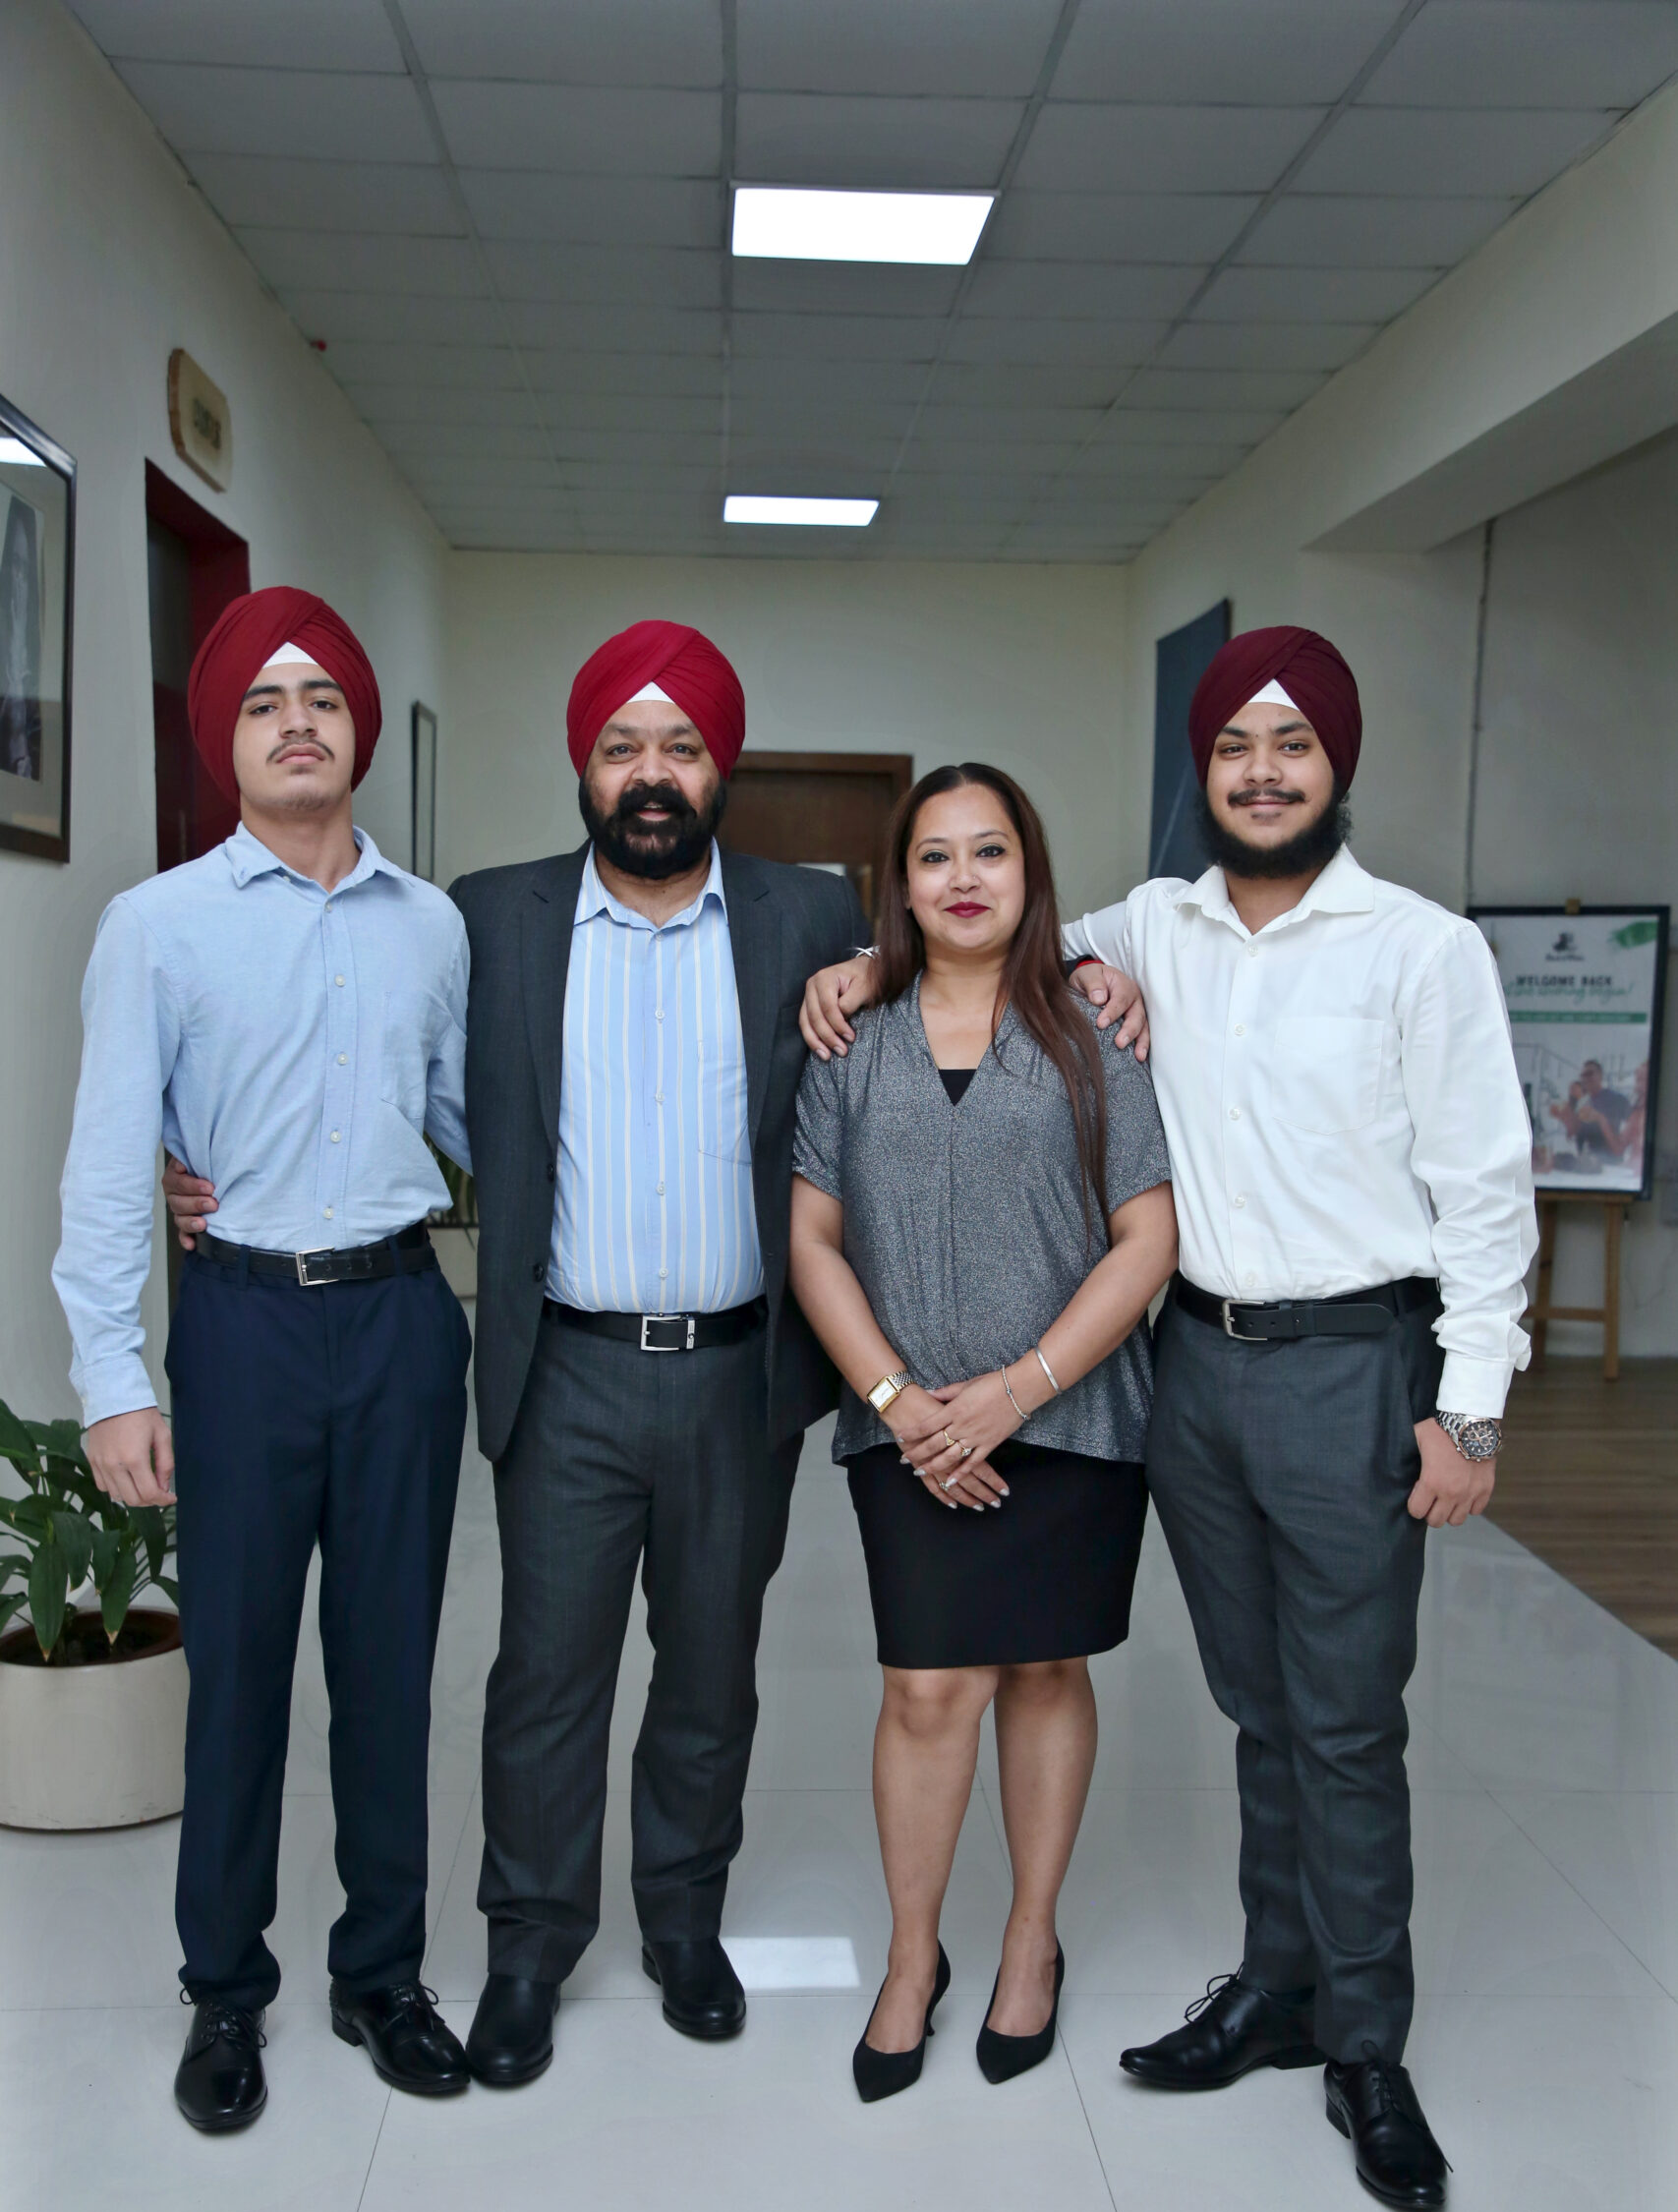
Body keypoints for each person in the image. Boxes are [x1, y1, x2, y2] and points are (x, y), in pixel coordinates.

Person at [799, 626, 1537, 2211]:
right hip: (1189, 1375)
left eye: (1292, 747)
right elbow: (979, 922)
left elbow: (1487, 1194)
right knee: (1258, 1701)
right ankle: (1282, 1986)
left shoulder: (1421, 949)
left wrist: (1468, 1409)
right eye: (1233, 749)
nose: (1262, 774)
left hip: (1355, 1363)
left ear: (1337, 766)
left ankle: (1368, 2046)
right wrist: (865, 964)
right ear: (1200, 772)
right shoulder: (1156, 926)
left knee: (1347, 1717)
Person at [57, 588, 475, 2133]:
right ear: (223, 740)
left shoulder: (429, 925)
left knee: (388, 1670)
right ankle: (224, 1994)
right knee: (234, 1676)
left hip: (400, 1318)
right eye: (261, 703)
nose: (298, 722)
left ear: (358, 730)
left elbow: (461, 1121)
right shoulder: (158, 925)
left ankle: (382, 1973)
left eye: (322, 699)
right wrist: (114, 1375)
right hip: (239, 1324)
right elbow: (111, 1161)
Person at [441, 620, 873, 2086]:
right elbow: (408, 1090)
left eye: (680, 745)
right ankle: (529, 1944)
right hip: (563, 1368)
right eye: (623, 744)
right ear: (584, 762)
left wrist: (1104, 985)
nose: (650, 773)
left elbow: (969, 965)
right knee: (545, 1674)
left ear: (719, 766)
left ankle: (684, 1921)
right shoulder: (492, 916)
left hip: (741, 1377)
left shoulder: (811, 919)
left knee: (709, 1668)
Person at [789, 764, 1176, 2103]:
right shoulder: (851, 1036)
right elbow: (814, 1240)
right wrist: (900, 1404)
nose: (964, 878)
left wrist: (1019, 1389)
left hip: (1072, 1414)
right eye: (935, 855)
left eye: (991, 852)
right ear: (898, 884)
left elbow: (1147, 1239)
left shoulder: (1092, 1032)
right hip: (904, 1424)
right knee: (926, 1686)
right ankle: (912, 1960)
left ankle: (1027, 1942)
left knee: (1045, 1674)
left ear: (1031, 872)